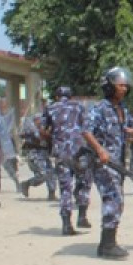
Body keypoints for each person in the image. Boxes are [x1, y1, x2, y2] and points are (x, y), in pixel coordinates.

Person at [83, 67, 133, 259]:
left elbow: (128, 129)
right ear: (109, 87)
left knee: (117, 200)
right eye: (120, 85)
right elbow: (86, 131)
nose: (124, 89)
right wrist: (100, 150)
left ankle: (109, 241)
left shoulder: (122, 109)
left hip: (118, 163)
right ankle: (107, 245)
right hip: (103, 163)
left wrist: (132, 133)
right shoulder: (99, 108)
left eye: (125, 86)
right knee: (113, 198)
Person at [42, 86, 92, 235]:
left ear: (57, 96)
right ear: (70, 96)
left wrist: (52, 140)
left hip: (61, 152)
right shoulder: (80, 107)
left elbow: (44, 131)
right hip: (79, 151)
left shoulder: (50, 108)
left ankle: (66, 224)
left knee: (65, 188)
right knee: (84, 182)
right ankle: (82, 216)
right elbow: (87, 128)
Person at [20, 114, 57, 200]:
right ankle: (26, 184)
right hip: (34, 155)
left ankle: (52, 193)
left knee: (51, 174)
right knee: (42, 175)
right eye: (38, 120)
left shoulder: (46, 129)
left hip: (44, 155)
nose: (41, 122)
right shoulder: (31, 129)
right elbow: (37, 136)